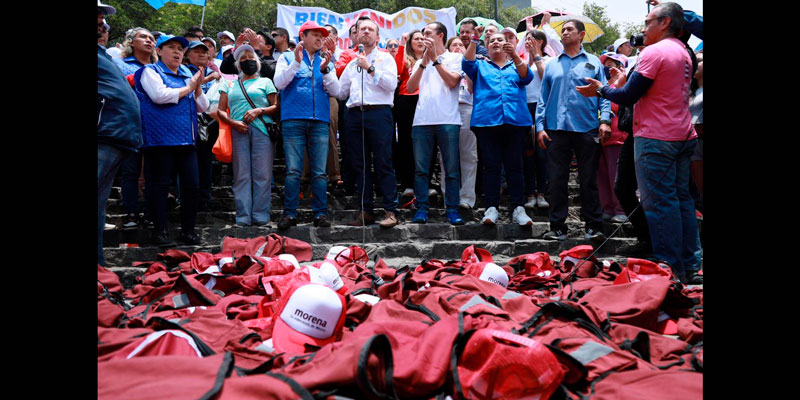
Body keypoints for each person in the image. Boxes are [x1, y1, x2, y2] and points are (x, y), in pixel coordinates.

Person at [576, 2, 702, 284]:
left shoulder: (654, 52)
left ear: (665, 23)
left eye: (648, 22)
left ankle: (670, 267)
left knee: (660, 204)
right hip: (682, 135)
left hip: (657, 138)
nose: (643, 29)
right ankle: (691, 266)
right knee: (682, 201)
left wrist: (601, 89)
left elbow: (628, 96)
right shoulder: (684, 52)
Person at [535, 19, 611, 241]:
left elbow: (604, 93)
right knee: (556, 180)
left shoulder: (594, 62)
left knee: (589, 180)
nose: (565, 33)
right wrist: (539, 127)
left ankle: (593, 227)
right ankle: (557, 227)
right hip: (556, 129)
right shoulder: (552, 64)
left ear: (581, 35)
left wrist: (605, 120)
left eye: (570, 29)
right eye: (563, 30)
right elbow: (542, 99)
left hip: (587, 128)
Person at [132, 34, 209, 246]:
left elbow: (203, 106)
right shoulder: (150, 71)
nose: (177, 52)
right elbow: (160, 96)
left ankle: (188, 231)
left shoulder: (187, 74)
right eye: (171, 47)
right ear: (159, 51)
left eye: (180, 49)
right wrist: (190, 88)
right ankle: (160, 231)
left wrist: (197, 88)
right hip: (160, 140)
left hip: (186, 140)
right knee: (159, 186)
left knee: (192, 186)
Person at [462, 32, 534, 226]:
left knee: (515, 166)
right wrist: (474, 41)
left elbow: (527, 77)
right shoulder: (480, 65)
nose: (495, 42)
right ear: (487, 46)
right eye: (491, 40)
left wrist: (515, 55)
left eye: (500, 40)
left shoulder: (516, 65)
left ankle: (518, 208)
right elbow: (466, 63)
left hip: (516, 122)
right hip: (487, 122)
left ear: (508, 44)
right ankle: (491, 207)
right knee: (491, 166)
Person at [334, 18, 400, 228]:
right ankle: (365, 211)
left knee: (383, 162)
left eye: (370, 29)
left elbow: (391, 85)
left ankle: (391, 210)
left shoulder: (386, 58)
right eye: (362, 29)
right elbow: (340, 92)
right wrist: (326, 71)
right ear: (356, 35)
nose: (366, 32)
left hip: (379, 113)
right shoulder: (352, 63)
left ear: (378, 36)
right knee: (359, 164)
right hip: (354, 115)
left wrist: (370, 68)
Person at [273, 21, 339, 229]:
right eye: (315, 35)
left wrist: (325, 69)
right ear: (303, 36)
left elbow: (336, 91)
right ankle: (289, 214)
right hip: (293, 120)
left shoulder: (325, 60)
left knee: (319, 172)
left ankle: (320, 214)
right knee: (294, 170)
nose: (320, 39)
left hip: (319, 121)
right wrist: (296, 62)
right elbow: (279, 83)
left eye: (322, 36)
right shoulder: (286, 57)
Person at [405, 22, 464, 225]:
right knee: (421, 169)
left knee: (451, 169)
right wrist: (424, 62)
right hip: (422, 121)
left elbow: (452, 81)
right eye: (423, 34)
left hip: (448, 120)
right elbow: (410, 88)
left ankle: (453, 209)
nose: (424, 37)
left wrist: (436, 60)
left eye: (428, 33)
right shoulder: (419, 62)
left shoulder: (455, 58)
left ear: (440, 36)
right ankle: (421, 208)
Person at [98, 0, 143, 264]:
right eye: (97, 15)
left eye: (103, 19)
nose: (102, 22)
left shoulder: (102, 55)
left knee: (99, 209)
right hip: (103, 135)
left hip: (116, 137)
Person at [216, 44, 278, 227]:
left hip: (262, 130)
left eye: (251, 58)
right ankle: (242, 216)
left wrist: (259, 110)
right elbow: (220, 110)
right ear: (237, 64)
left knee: (263, 175)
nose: (247, 61)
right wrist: (233, 123)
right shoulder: (229, 84)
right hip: (238, 131)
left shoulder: (266, 82)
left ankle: (261, 216)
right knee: (241, 174)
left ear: (257, 62)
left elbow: (276, 106)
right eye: (243, 59)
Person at [114, 27, 158, 230]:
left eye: (151, 38)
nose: (149, 41)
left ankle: (150, 214)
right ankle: (130, 213)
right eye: (143, 37)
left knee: (154, 172)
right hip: (130, 123)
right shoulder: (120, 65)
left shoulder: (159, 67)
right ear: (131, 42)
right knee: (131, 171)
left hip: (157, 126)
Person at [440, 36, 477, 211]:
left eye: (461, 45)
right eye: (454, 45)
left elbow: (472, 88)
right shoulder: (442, 64)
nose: (457, 47)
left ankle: (467, 198)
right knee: (446, 157)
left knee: (469, 155)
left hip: (466, 108)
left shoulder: (472, 65)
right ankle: (449, 197)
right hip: (447, 111)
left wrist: (466, 65)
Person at [184, 40, 222, 213]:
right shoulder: (183, 71)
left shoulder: (215, 72)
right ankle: (188, 198)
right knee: (189, 161)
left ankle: (205, 198)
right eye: (196, 51)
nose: (201, 54)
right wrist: (206, 79)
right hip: (189, 121)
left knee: (206, 160)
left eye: (204, 52)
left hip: (210, 122)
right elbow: (186, 89)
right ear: (188, 55)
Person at [596, 52, 629, 224]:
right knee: (602, 175)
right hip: (599, 138)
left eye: (612, 64)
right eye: (606, 64)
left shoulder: (626, 84)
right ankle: (607, 208)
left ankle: (620, 209)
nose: (608, 68)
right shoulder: (602, 85)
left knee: (615, 175)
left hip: (617, 137)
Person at [521, 29, 551, 211]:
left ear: (540, 42)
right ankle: (530, 193)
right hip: (524, 108)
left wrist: (536, 56)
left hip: (542, 108)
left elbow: (546, 79)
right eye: (526, 39)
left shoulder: (549, 61)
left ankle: (542, 192)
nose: (527, 42)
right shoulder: (522, 62)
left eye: (531, 39)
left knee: (541, 153)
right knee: (527, 153)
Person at [393, 29, 425, 198]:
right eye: (416, 39)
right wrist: (401, 45)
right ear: (410, 43)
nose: (420, 41)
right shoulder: (406, 59)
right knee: (406, 142)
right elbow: (397, 69)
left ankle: (426, 183)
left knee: (427, 142)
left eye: (422, 38)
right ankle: (408, 184)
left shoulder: (432, 58)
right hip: (406, 101)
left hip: (426, 101)